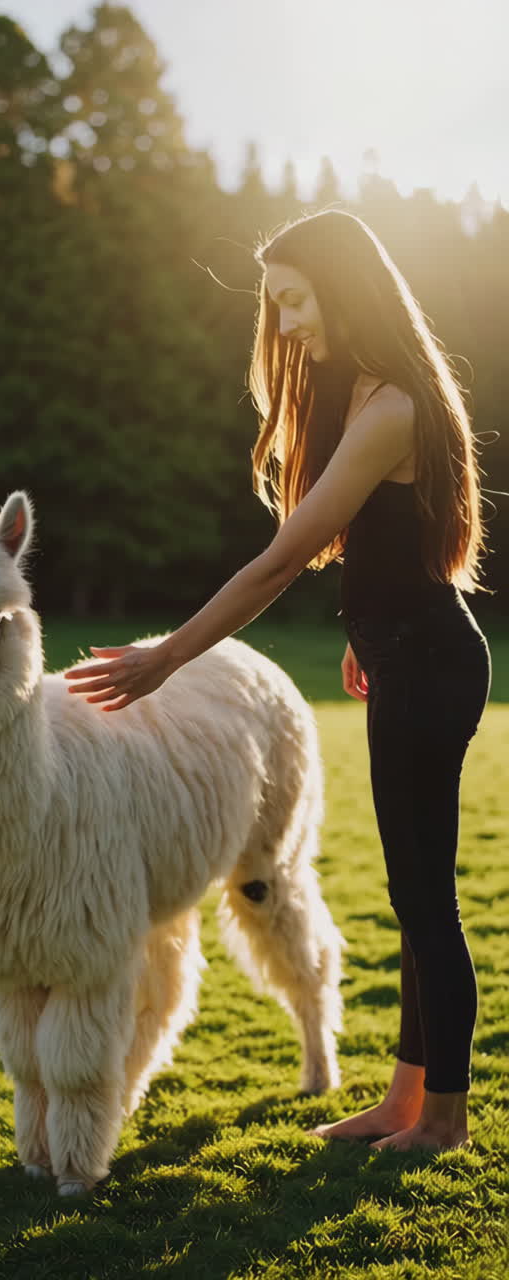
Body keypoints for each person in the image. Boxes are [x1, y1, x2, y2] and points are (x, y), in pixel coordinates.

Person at [63, 209, 493, 1152]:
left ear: (343, 287)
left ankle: (444, 1120)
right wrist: (365, 635)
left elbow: (277, 564)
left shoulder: (391, 409)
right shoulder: (369, 394)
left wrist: (167, 657)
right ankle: (406, 1102)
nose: (288, 323)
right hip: (407, 653)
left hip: (429, 661)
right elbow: (391, 550)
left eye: (296, 300)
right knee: (414, 893)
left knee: (425, 899)